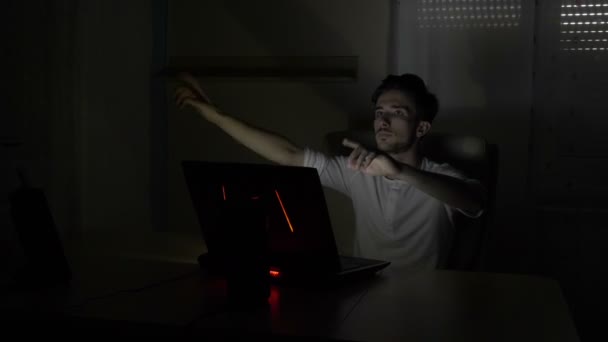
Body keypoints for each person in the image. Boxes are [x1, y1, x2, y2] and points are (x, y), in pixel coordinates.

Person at [174, 73, 486, 270]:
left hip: (427, 298)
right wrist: (214, 115)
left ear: (421, 127)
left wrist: (399, 171)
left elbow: (474, 201)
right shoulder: (358, 169)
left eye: (397, 113)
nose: (382, 121)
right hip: (370, 288)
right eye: (379, 113)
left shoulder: (440, 177)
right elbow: (289, 154)